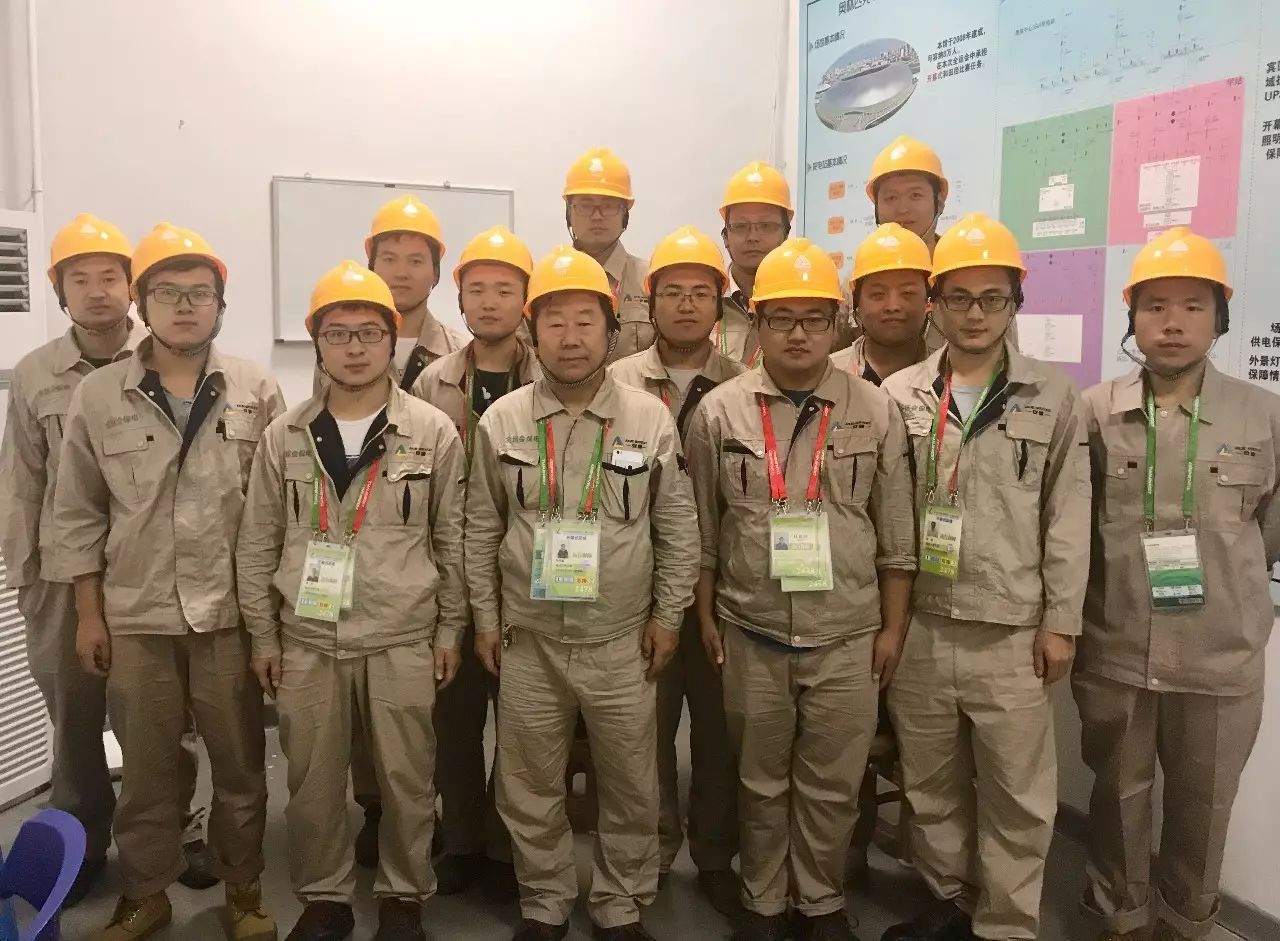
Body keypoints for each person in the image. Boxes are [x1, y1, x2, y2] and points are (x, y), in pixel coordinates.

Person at [49, 223, 282, 941]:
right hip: (137, 614)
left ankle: (243, 889)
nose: (185, 306)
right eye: (168, 292)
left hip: (230, 615)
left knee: (240, 766)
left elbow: (280, 512)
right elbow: (77, 513)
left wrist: (271, 622)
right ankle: (145, 892)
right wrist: (89, 615)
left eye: (200, 293)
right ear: (142, 303)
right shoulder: (99, 396)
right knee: (148, 770)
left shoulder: (256, 389)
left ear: (220, 304)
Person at [465, 245, 700, 941]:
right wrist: (486, 620)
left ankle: (620, 902)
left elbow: (676, 526)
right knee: (528, 780)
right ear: (532, 332)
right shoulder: (502, 421)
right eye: (555, 322)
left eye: (586, 322)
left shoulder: (648, 419)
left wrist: (669, 616)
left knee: (630, 782)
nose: (571, 338)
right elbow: (481, 527)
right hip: (529, 640)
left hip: (622, 640)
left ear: (611, 330)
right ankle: (543, 899)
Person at [685, 238, 916, 941]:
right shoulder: (719, 412)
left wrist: (892, 629)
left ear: (837, 323)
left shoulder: (875, 409)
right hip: (750, 627)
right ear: (756, 323)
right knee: (758, 780)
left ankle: (819, 901)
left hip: (847, 633)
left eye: (814, 318)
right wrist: (707, 618)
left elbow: (896, 534)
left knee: (832, 784)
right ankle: (762, 900)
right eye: (780, 317)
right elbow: (702, 530)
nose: (797, 333)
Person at [237, 261, 466, 941]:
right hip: (308, 637)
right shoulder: (284, 435)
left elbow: (452, 538)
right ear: (318, 343)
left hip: (402, 634)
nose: (355, 347)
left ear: (392, 339)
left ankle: (404, 894)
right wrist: (264, 636)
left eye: (369, 332)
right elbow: (257, 542)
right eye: (338, 333)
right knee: (311, 781)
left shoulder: (432, 431)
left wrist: (450, 630)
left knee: (407, 778)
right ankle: (325, 896)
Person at [880, 213, 1088, 941]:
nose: (975, 313)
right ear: (934, 304)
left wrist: (1061, 621)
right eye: (960, 297)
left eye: (992, 298)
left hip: (1011, 632)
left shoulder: (1053, 396)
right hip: (921, 624)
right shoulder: (899, 393)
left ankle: (1004, 924)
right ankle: (948, 902)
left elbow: (1068, 514)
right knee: (929, 783)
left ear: (1014, 304)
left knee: (1016, 794)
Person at [0, 213, 218, 904]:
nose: (96, 292)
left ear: (133, 288)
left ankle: (179, 829)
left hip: (151, 571)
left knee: (166, 712)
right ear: (59, 291)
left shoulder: (174, 358)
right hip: (62, 577)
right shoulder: (36, 374)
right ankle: (84, 838)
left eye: (109, 278)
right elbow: (22, 482)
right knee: (74, 717)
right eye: (79, 280)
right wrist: (28, 578)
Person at [1075, 228, 1278, 941]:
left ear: (1219, 318)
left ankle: (1189, 922)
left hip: (1220, 655)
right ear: (1132, 316)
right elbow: (1073, 528)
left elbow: (1269, 533)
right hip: (1117, 646)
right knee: (1117, 797)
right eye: (1155, 305)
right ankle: (1121, 919)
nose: (1172, 322)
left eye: (1193, 306)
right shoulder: (1094, 412)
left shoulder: (1264, 415)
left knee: (1203, 804)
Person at [610, 225, 746, 917]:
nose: (686, 305)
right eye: (672, 292)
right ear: (650, 300)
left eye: (700, 292)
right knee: (647, 733)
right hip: (640, 589)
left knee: (719, 734)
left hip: (727, 589)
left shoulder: (746, 386)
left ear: (720, 304)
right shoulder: (616, 384)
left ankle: (715, 855)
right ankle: (654, 851)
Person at [409, 225, 540, 901]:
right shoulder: (432, 382)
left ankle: (508, 845)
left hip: (529, 573)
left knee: (523, 727)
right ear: (458, 298)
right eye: (477, 289)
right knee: (454, 723)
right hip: (449, 574)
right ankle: (460, 839)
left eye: (505, 289)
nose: (489, 302)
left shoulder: (549, 377)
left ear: (526, 299)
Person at [345, 193, 465, 863]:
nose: (401, 269)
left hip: (439, 535)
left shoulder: (460, 352)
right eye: (387, 256)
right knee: (370, 702)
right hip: (368, 548)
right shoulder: (348, 341)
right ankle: (374, 806)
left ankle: (431, 806)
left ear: (436, 271)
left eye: (416, 258)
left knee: (434, 700)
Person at [562, 147, 650, 361]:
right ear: (569, 212)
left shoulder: (650, 280)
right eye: (585, 205)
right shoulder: (544, 280)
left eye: (608, 206)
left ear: (625, 215)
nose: (597, 216)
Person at [832, 223, 932, 387]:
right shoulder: (825, 377)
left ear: (928, 301)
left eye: (907, 293)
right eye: (878, 294)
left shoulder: (948, 377)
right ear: (857, 304)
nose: (893, 306)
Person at [717, 162, 794, 368]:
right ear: (726, 237)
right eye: (741, 226)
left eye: (766, 226)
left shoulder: (808, 303)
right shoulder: (705, 299)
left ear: (786, 234)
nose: (753, 237)